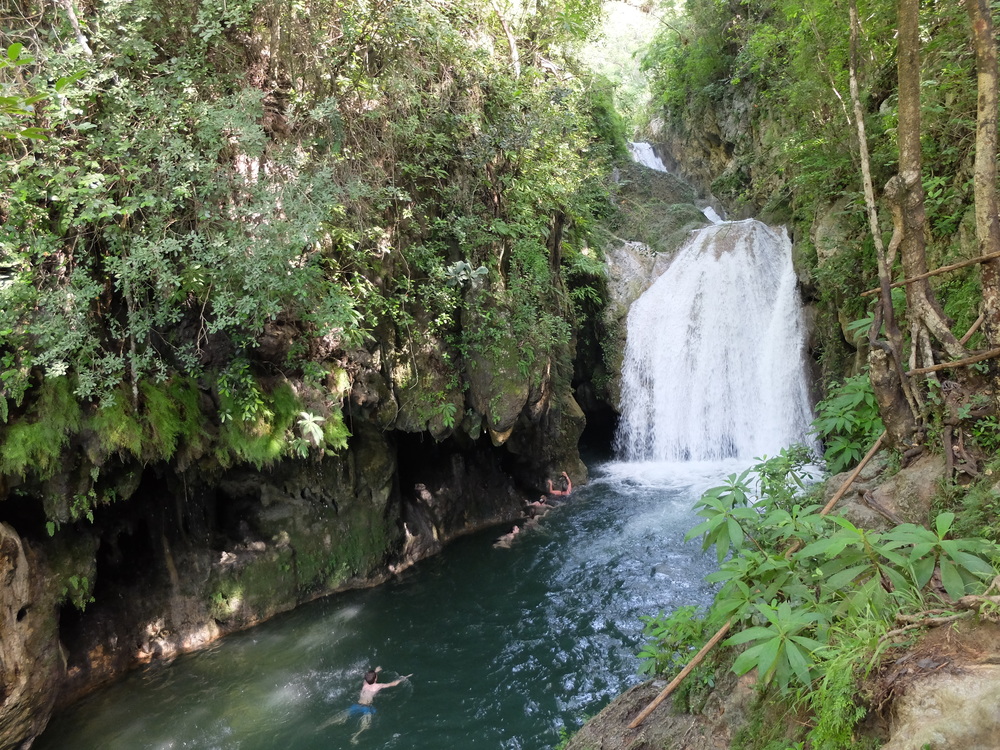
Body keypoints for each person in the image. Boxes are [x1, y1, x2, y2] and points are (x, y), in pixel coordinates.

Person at [321, 666, 411, 744]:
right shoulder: (378, 686)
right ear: (376, 679)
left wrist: (375, 671)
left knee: (341, 716)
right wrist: (404, 678)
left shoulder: (365, 684)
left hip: (357, 705)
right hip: (367, 708)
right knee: (365, 726)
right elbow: (393, 684)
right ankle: (355, 737)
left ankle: (323, 726)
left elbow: (368, 678)